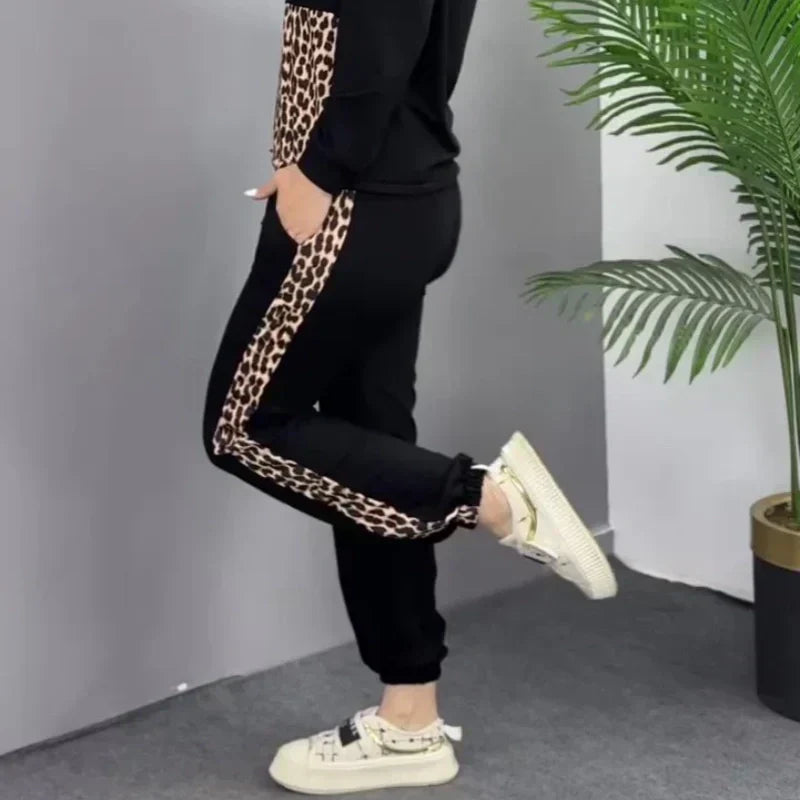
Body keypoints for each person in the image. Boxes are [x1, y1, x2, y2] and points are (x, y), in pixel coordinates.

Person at [202, 0, 617, 794]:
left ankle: (491, 498)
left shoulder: (339, 180)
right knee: (370, 449)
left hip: (352, 206)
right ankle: (409, 720)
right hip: (397, 199)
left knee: (244, 427)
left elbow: (377, 39)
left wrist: (319, 171)